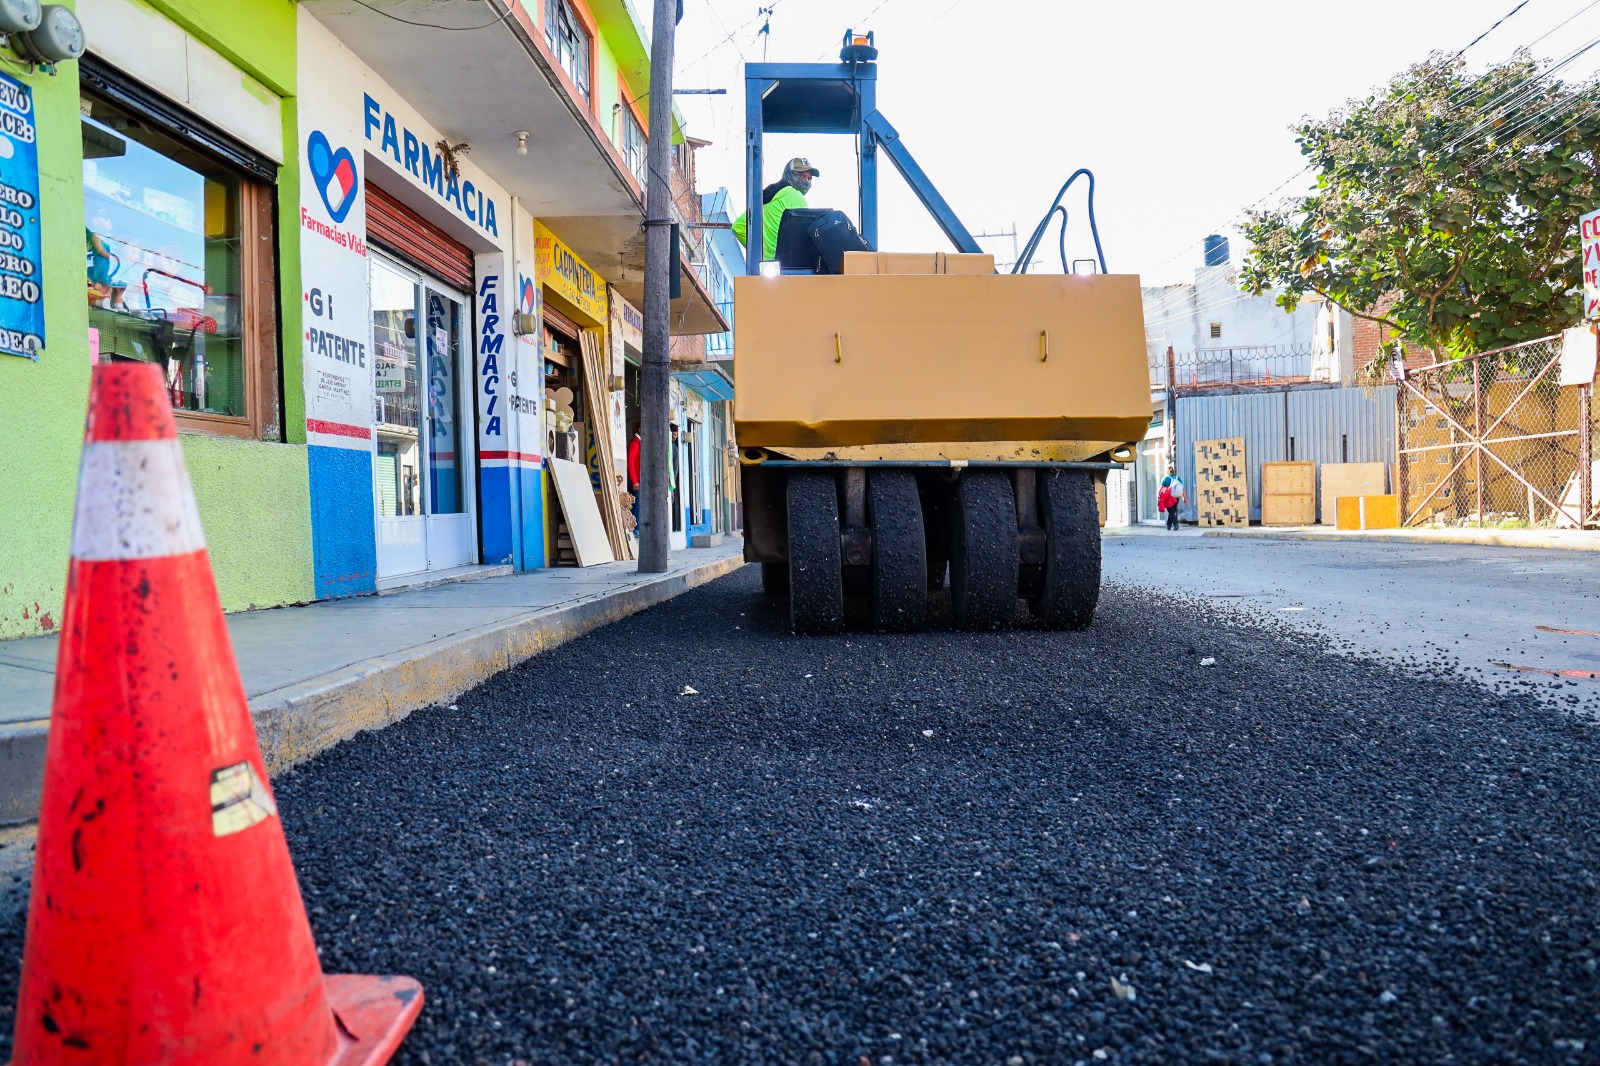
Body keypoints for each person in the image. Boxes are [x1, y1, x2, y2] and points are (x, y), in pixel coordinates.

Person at [732, 157, 819, 263]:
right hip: (787, 264)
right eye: (801, 175)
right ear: (790, 174)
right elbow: (803, 238)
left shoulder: (766, 198)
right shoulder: (795, 196)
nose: (805, 181)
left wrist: (761, 254)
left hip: (767, 267)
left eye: (809, 178)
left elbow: (738, 227)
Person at [1158, 463, 1186, 531]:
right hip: (1176, 497)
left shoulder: (1165, 478)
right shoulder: (1177, 478)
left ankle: (1176, 524)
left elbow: (1160, 488)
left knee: (1171, 511)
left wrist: (1159, 496)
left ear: (1167, 471)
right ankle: (1169, 525)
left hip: (1168, 497)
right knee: (1172, 511)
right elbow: (1182, 488)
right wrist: (1184, 497)